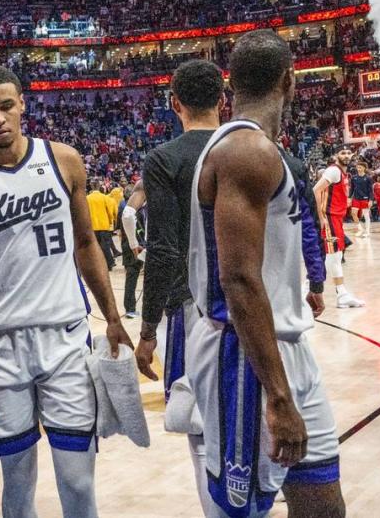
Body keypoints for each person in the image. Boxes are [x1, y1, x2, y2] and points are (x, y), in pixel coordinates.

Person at [0, 65, 133, 518]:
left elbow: (87, 245)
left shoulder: (64, 159)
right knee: (18, 485)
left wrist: (114, 318)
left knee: (78, 481)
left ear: (23, 103)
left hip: (63, 339)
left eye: (7, 106)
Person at [187, 30, 344, 518]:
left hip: (285, 347)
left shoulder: (263, 152)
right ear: (290, 81)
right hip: (247, 356)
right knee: (244, 509)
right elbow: (238, 280)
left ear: (231, 85)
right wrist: (277, 396)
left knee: (322, 504)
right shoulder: (246, 153)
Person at [124, 59, 224, 513]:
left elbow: (163, 248)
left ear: (174, 103)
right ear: (223, 100)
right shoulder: (257, 148)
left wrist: (147, 333)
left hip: (194, 308)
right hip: (253, 304)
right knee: (250, 415)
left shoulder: (164, 159)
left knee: (201, 429)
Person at [313, 148, 365, 308]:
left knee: (333, 256)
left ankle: (338, 293)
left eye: (349, 153)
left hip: (337, 217)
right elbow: (316, 190)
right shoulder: (333, 171)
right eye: (342, 153)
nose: (346, 155)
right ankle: (338, 293)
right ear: (336, 156)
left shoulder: (343, 174)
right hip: (329, 217)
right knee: (333, 256)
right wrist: (321, 218)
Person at [118, 184, 143, 319]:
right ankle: (130, 309)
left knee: (131, 278)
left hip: (127, 245)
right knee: (133, 277)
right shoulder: (133, 210)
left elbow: (118, 226)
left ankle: (130, 308)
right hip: (134, 246)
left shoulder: (122, 206)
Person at [86, 183, 116, 269]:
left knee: (96, 247)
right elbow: (110, 212)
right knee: (106, 245)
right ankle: (110, 263)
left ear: (91, 187)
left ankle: (99, 264)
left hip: (93, 226)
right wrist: (110, 222)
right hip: (104, 225)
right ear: (99, 187)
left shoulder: (87, 198)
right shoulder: (105, 197)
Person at [348, 161, 373, 238]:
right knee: (353, 213)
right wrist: (349, 198)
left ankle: (367, 231)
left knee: (366, 216)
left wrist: (371, 200)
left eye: (360, 167)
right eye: (357, 167)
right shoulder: (353, 178)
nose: (358, 169)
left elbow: (371, 190)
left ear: (364, 168)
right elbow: (352, 189)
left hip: (365, 199)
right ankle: (360, 229)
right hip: (356, 198)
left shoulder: (368, 178)